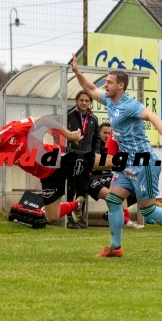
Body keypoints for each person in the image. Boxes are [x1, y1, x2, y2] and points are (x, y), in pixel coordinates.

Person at [71, 54, 162, 257]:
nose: (105, 85)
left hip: (143, 161)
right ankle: (115, 247)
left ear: (121, 86)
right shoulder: (110, 101)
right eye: (106, 82)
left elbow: (150, 115)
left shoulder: (129, 105)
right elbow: (91, 89)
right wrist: (76, 72)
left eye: (109, 82)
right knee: (113, 201)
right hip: (126, 163)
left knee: (147, 210)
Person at [0, 117, 112, 225]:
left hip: (61, 160)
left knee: (105, 163)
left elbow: (44, 121)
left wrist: (68, 135)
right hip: (48, 178)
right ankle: (77, 204)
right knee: (52, 217)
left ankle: (132, 163)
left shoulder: (13, 129)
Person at [89, 123, 144, 229]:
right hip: (94, 177)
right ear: (99, 133)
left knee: (138, 191)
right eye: (104, 133)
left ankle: (112, 214)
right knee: (116, 192)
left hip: (110, 175)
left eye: (109, 134)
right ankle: (126, 220)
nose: (107, 136)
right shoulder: (95, 145)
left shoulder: (118, 145)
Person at [66, 91, 100, 229]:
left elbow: (97, 138)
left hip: (86, 157)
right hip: (72, 156)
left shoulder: (94, 118)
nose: (84, 103)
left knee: (82, 189)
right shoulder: (68, 114)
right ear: (76, 101)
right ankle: (68, 217)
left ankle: (79, 219)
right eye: (81, 100)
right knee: (70, 187)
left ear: (90, 102)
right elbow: (61, 133)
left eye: (87, 100)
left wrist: (96, 153)